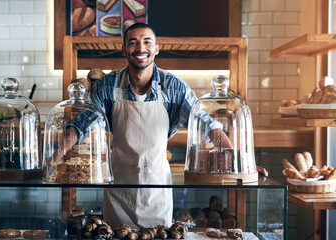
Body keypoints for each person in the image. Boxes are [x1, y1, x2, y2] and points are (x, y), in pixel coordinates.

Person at [60, 23, 266, 228]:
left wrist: (240, 163)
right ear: (124, 49)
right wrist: (54, 156)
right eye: (133, 42)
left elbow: (205, 124)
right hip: (119, 190)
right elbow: (83, 123)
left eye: (147, 42)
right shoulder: (107, 85)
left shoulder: (173, 87)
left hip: (157, 189)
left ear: (156, 48)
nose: (141, 48)